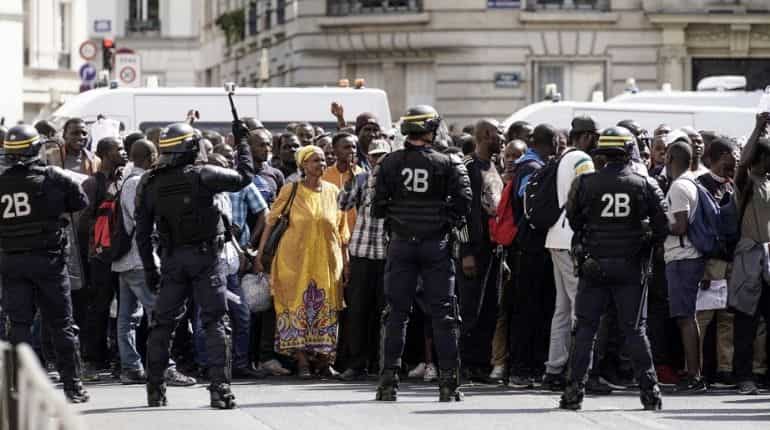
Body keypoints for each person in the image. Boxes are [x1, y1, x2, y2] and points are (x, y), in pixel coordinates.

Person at [135, 121, 255, 409]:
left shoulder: (149, 182)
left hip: (172, 261)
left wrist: (151, 271)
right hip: (205, 260)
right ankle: (220, 391)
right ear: (190, 147)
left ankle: (155, 391)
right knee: (215, 322)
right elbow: (244, 176)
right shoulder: (204, 174)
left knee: (162, 325)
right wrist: (243, 144)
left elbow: (140, 233)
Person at [561, 126, 667, 411]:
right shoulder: (644, 184)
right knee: (635, 330)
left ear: (603, 153)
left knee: (585, 330)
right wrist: (643, 239)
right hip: (631, 267)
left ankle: (573, 393)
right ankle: (650, 392)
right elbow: (663, 226)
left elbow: (573, 220)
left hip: (594, 265)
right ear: (630, 151)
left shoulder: (584, 183)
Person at [373, 105, 472, 402]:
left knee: (396, 314)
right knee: (444, 314)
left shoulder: (389, 164)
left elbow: (377, 207)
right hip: (437, 245)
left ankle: (388, 383)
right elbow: (464, 203)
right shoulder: (450, 162)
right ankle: (448, 384)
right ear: (431, 128)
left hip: (401, 244)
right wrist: (442, 217)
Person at [0, 125, 90, 402]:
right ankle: (72, 385)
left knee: (19, 325)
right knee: (61, 324)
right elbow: (80, 201)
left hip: (11, 262)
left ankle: (18, 386)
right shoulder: (53, 177)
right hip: (48, 261)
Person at [255, 145, 350, 379]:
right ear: (303, 165)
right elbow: (270, 221)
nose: (321, 164)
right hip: (294, 261)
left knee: (326, 309)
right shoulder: (291, 190)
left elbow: (341, 229)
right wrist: (259, 255)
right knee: (295, 307)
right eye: (315, 160)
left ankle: (324, 361)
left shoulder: (333, 191)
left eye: (322, 160)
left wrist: (346, 262)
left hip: (327, 261)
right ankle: (302, 361)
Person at [542, 116, 598, 391]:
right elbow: (587, 198)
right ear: (587, 136)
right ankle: (580, 372)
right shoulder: (583, 161)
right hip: (571, 239)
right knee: (581, 307)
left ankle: (554, 368)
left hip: (556, 235)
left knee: (562, 308)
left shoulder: (565, 157)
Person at [508, 124, 558, 388]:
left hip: (537, 248)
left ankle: (534, 365)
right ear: (549, 142)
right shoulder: (531, 168)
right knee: (528, 309)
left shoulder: (536, 166)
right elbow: (530, 205)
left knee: (540, 309)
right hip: (531, 247)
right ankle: (521, 368)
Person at [337, 138, 391, 381]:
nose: (377, 160)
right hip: (361, 251)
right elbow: (343, 203)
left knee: (386, 311)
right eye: (373, 156)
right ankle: (356, 363)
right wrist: (352, 179)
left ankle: (383, 364)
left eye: (382, 156)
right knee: (358, 310)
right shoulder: (361, 179)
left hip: (389, 253)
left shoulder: (396, 181)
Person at [458, 119, 505, 382]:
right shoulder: (468, 166)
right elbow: (462, 213)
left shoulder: (494, 166)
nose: (502, 138)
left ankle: (479, 364)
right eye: (499, 134)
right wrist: (465, 251)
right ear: (487, 135)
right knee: (469, 309)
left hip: (494, 250)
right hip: (473, 252)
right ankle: (462, 363)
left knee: (489, 308)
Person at [79, 137, 128, 378]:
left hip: (124, 254)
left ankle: (122, 359)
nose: (124, 152)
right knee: (99, 307)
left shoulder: (125, 179)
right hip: (101, 257)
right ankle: (92, 359)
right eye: (119, 149)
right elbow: (84, 221)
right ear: (106, 154)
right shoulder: (93, 183)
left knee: (126, 309)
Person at [664, 141, 708, 394]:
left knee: (685, 318)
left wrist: (659, 224)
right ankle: (694, 373)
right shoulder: (691, 182)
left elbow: (679, 226)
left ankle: (694, 376)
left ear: (670, 157)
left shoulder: (680, 186)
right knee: (687, 317)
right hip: (687, 257)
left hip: (682, 257)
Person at [731, 112, 770, 395]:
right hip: (748, 261)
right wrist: (758, 128)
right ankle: (743, 377)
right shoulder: (747, 183)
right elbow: (742, 163)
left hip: (768, 261)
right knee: (746, 321)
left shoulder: (768, 183)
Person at [695, 136, 738, 388]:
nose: (737, 159)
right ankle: (697, 369)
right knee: (703, 318)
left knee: (727, 319)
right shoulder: (701, 185)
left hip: (731, 261)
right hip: (711, 263)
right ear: (722, 157)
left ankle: (725, 370)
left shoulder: (733, 185)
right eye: (733, 155)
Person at [322, 132, 363, 232]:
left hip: (355, 233)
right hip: (331, 231)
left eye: (354, 147)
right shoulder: (323, 175)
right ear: (335, 151)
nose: (351, 151)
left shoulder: (363, 174)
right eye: (346, 147)